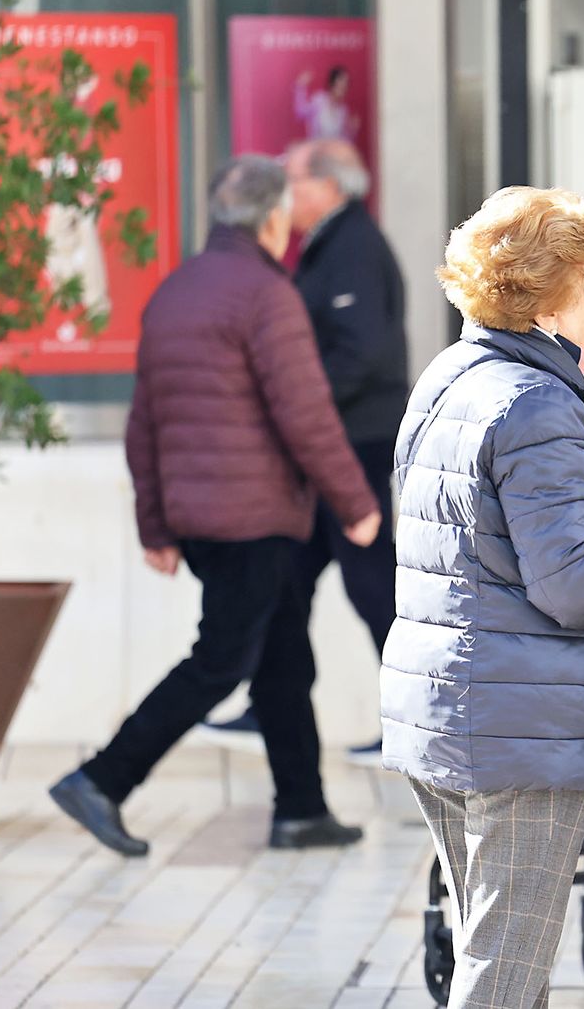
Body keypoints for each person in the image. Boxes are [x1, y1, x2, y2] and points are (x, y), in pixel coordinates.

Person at [382, 186, 584, 1008]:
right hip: (524, 729)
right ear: (550, 296)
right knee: (505, 973)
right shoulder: (536, 402)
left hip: (448, 707)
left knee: (495, 947)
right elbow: (580, 586)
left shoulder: (450, 375)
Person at [48, 155, 381, 857]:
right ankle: (103, 778)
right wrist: (354, 501)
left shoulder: (175, 291)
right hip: (253, 517)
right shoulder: (266, 294)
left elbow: (144, 422)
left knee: (283, 650)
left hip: (203, 519)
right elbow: (305, 412)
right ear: (272, 218)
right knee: (222, 658)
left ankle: (301, 807)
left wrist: (156, 523)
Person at [204, 138, 408, 761]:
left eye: (292, 182)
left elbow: (362, 352)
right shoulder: (328, 245)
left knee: (372, 585)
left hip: (353, 446)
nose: (284, 197)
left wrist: (299, 404)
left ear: (328, 187)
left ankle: (413, 722)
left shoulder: (351, 247)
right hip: (327, 447)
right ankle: (273, 706)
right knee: (288, 579)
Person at [294, 66, 359, 141]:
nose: (343, 85)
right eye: (340, 81)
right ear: (332, 82)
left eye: (346, 82)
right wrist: (300, 86)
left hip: (332, 152)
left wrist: (352, 131)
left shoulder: (343, 110)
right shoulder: (319, 100)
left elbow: (343, 142)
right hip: (316, 149)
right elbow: (300, 112)